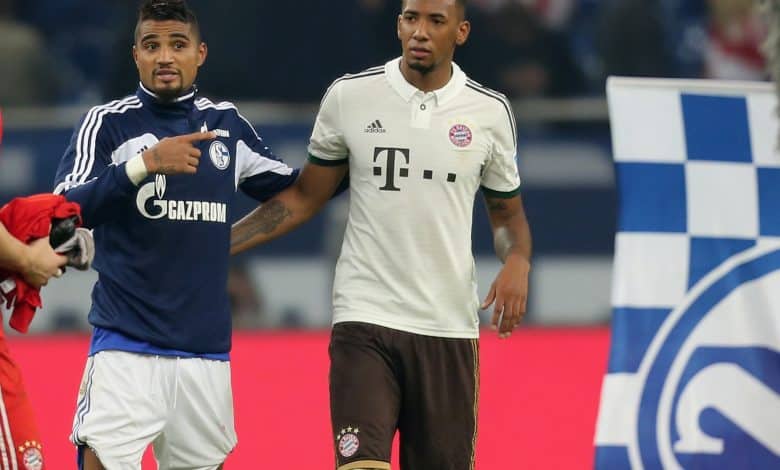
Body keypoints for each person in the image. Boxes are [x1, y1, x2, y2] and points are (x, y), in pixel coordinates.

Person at [231, 0, 532, 468]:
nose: (420, 31)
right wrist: (219, 245)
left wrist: (517, 261)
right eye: (412, 18)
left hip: (447, 326)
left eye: (436, 21)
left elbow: (507, 217)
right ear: (398, 24)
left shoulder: (489, 113)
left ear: (462, 32)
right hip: (364, 317)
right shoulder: (350, 97)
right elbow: (305, 197)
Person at [52, 1, 302, 468]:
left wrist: (352, 153)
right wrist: (142, 165)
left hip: (204, 358)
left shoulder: (227, 126)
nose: (165, 56)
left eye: (177, 45)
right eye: (152, 45)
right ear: (136, 57)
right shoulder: (108, 123)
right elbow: (60, 213)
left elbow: (298, 192)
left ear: (200, 54)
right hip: (126, 350)